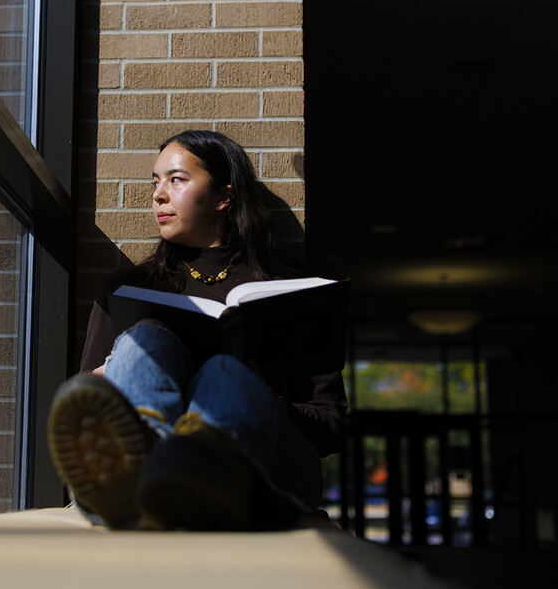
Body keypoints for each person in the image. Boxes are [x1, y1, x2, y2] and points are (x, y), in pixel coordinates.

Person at [48, 130, 347, 530]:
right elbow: (87, 396)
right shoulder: (129, 290)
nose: (158, 195)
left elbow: (331, 428)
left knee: (226, 372)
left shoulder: (291, 290)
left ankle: (179, 470)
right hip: (158, 453)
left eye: (176, 179)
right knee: (145, 337)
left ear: (224, 197)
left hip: (262, 465)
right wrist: (108, 380)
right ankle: (148, 468)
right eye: (155, 182)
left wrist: (268, 400)